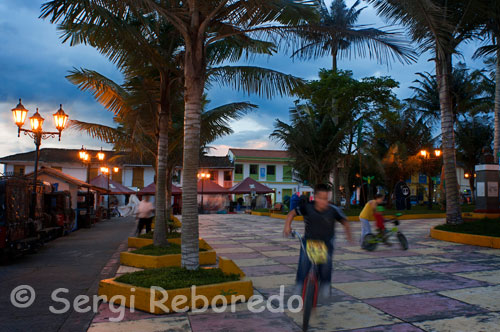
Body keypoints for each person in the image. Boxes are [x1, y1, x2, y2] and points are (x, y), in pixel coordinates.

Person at [283, 184, 353, 297]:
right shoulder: (307, 207)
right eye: (320, 198)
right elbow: (291, 214)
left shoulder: (333, 210)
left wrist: (348, 236)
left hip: (326, 242)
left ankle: (325, 283)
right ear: (315, 197)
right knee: (304, 262)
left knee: (325, 264)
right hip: (309, 241)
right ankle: (299, 284)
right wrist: (287, 226)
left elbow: (345, 221)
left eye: (326, 199)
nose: (323, 202)